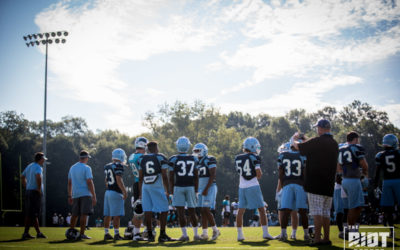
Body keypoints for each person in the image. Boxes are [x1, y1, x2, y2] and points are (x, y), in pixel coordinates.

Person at [292, 119, 338, 246]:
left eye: (318, 128)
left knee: (317, 212)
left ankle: (317, 238)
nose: (317, 130)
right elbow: (312, 146)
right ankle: (326, 238)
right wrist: (306, 140)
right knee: (326, 212)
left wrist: (295, 139)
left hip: (315, 182)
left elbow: (298, 147)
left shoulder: (317, 141)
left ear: (322, 128)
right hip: (329, 183)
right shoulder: (334, 143)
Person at [234, 137, 274, 241]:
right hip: (253, 185)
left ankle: (239, 235)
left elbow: (240, 172)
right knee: (261, 209)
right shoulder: (254, 157)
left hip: (241, 186)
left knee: (240, 211)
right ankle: (265, 233)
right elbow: (258, 174)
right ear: (252, 147)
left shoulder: (238, 158)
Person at [275, 138, 310, 241]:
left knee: (285, 210)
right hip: (299, 184)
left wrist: (283, 184)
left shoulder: (282, 155)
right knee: (303, 211)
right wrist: (305, 187)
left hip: (287, 184)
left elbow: (280, 173)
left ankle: (283, 234)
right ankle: (306, 234)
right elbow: (305, 173)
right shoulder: (303, 156)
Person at [138, 141, 173, 242]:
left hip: (145, 184)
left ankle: (149, 235)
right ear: (156, 148)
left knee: (147, 210)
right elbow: (164, 175)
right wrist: (167, 190)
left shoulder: (141, 158)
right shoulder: (160, 157)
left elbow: (140, 177)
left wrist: (140, 192)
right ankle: (162, 234)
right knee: (164, 209)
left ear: (147, 149)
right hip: (156, 183)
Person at [337, 131, 368, 238]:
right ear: (355, 139)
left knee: (357, 206)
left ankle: (349, 230)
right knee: (353, 207)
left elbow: (338, 167)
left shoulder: (341, 149)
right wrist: (364, 175)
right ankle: (351, 231)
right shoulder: (356, 148)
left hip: (345, 180)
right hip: (353, 180)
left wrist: (343, 176)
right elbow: (364, 165)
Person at [169, 136, 200, 241]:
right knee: (192, 212)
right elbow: (196, 176)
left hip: (178, 186)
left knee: (180, 213)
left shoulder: (174, 159)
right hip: (190, 186)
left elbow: (171, 177)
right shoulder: (194, 158)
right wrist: (196, 190)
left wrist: (171, 191)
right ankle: (196, 235)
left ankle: (185, 235)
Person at [193, 143, 220, 240]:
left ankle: (216, 230)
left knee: (206, 209)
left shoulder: (210, 159)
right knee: (202, 211)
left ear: (203, 150)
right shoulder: (196, 162)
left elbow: (212, 175)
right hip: (201, 189)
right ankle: (204, 233)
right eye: (195, 151)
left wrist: (206, 189)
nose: (196, 153)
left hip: (210, 187)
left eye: (197, 151)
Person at [374, 134, 400, 237]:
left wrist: (375, 184)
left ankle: (391, 232)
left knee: (388, 209)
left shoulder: (380, 155)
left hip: (387, 182)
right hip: (398, 181)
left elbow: (377, 172)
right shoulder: (398, 153)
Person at [67, 150, 97, 240]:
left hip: (75, 194)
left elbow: (69, 182)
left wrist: (69, 195)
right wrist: (94, 196)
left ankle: (71, 232)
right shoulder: (87, 168)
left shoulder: (72, 167)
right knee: (84, 214)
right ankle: (82, 234)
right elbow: (89, 181)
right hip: (85, 194)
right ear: (86, 158)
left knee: (74, 214)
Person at [275, 142, 299, 239]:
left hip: (286, 188)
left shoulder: (284, 160)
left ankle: (284, 233)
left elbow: (281, 178)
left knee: (283, 211)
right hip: (296, 187)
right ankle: (293, 233)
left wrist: (277, 191)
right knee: (293, 212)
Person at [21, 152, 47, 239]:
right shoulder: (38, 167)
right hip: (35, 192)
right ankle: (32, 233)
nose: (44, 161)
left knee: (31, 213)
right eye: (43, 159)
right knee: (34, 213)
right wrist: (39, 189)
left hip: (29, 191)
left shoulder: (30, 166)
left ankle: (33, 233)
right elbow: (38, 176)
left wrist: (26, 185)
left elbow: (22, 176)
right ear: (40, 159)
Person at [103, 148, 128, 241]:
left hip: (108, 191)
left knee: (108, 214)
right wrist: (124, 191)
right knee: (117, 214)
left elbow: (106, 181)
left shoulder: (107, 166)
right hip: (116, 192)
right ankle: (116, 234)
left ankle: (106, 233)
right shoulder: (118, 166)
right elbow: (118, 179)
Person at [128, 137, 148, 241]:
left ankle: (132, 231)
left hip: (136, 183)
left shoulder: (131, 156)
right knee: (140, 210)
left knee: (138, 209)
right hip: (142, 183)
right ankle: (136, 234)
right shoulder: (141, 157)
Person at [333, 173, 348, 239]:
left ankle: (346, 231)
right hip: (339, 188)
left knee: (346, 211)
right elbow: (337, 178)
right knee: (340, 212)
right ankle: (341, 232)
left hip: (345, 187)